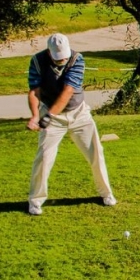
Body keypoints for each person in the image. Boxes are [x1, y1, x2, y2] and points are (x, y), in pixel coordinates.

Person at [25, 33, 116, 215]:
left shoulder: (77, 59)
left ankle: (106, 193)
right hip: (51, 115)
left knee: (96, 153)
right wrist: (35, 116)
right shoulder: (37, 61)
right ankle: (35, 200)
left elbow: (67, 92)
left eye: (64, 56)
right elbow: (34, 91)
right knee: (43, 157)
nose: (63, 60)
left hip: (79, 114)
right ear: (50, 52)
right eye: (58, 57)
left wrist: (47, 116)